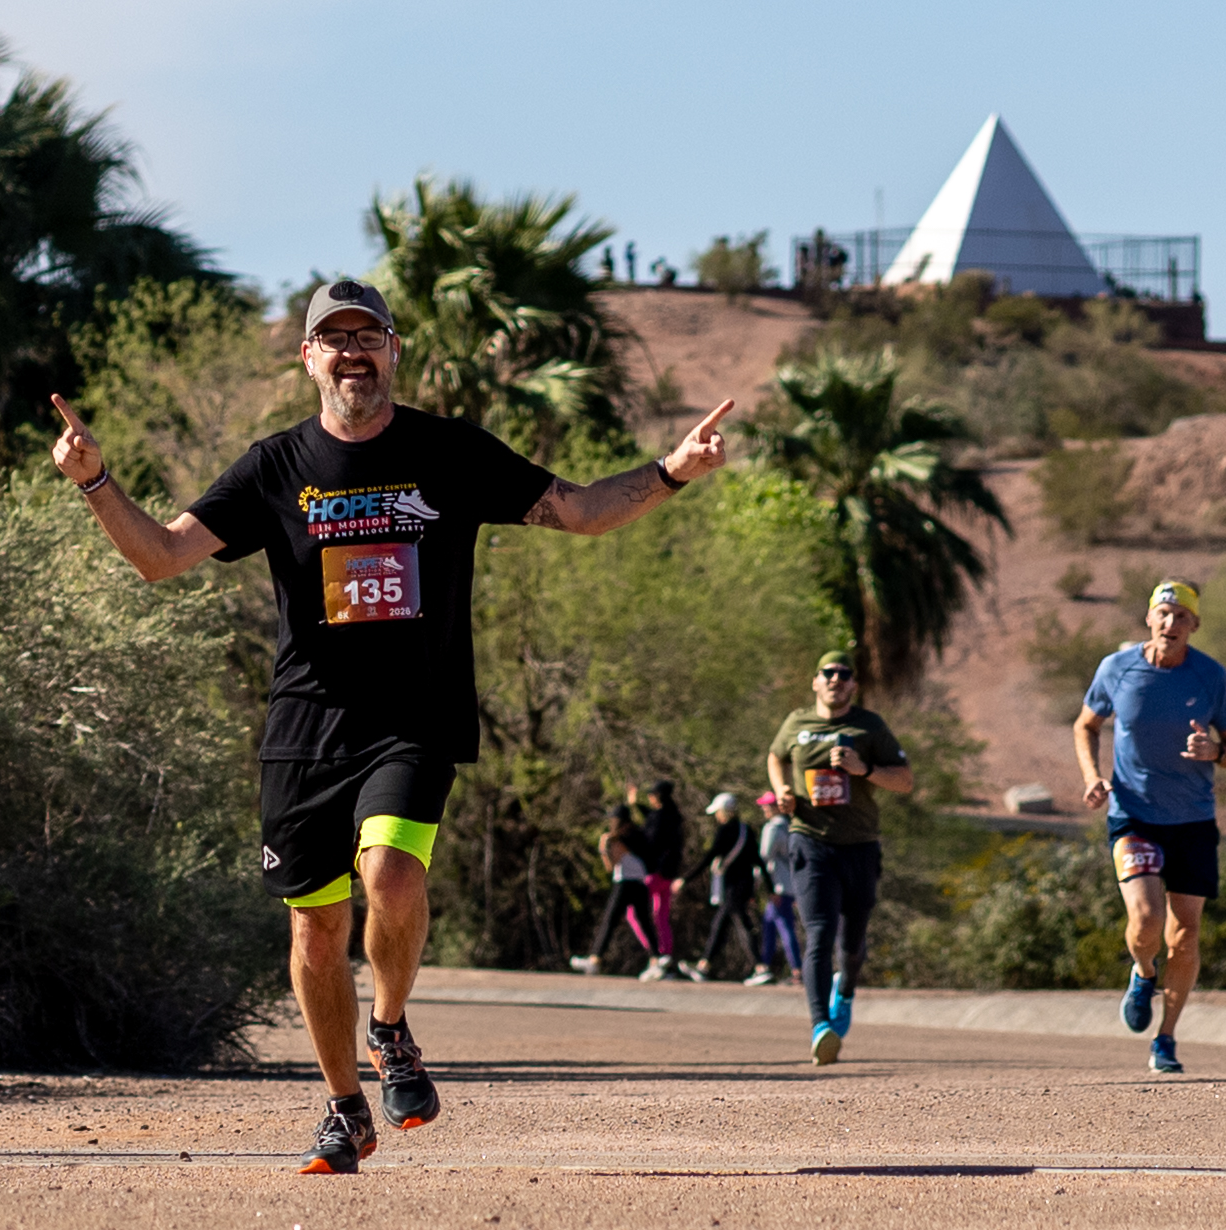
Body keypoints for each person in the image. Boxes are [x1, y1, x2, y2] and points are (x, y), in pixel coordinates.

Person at [49, 278, 735, 1174]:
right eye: (332, 339)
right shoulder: (273, 467)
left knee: (392, 875)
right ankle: (344, 1110)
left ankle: (390, 1026)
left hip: (412, 719)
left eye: (366, 335)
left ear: (394, 349)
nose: (351, 352)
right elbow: (162, 558)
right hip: (303, 731)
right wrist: (94, 481)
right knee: (312, 931)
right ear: (308, 358)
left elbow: (578, 511)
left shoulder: (448, 452)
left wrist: (671, 470)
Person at [1073, 578, 1226, 1075]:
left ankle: (1165, 1039)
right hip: (1133, 814)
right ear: (1149, 618)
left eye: (1181, 617)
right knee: (1147, 920)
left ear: (1194, 626)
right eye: (1163, 614)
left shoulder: (1210, 677)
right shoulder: (1117, 668)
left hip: (1192, 818)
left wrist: (1216, 752)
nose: (1171, 624)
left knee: (1185, 936)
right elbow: (1086, 724)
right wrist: (1092, 777)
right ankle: (1142, 972)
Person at [767, 652, 913, 1065]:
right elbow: (775, 755)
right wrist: (781, 790)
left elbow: (904, 781)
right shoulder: (797, 724)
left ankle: (844, 990)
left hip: (860, 846)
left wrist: (862, 769)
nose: (835, 680)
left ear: (853, 685)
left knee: (851, 942)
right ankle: (820, 1027)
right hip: (809, 842)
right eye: (828, 674)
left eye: (844, 675)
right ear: (815, 682)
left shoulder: (868, 727)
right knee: (819, 933)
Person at [571, 806, 671, 979]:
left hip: (624, 882)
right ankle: (657, 959)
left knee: (609, 921)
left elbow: (612, 866)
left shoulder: (619, 839)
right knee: (645, 922)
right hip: (640, 883)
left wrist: (603, 849)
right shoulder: (639, 836)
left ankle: (595, 959)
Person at [672, 793, 760, 982]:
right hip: (743, 885)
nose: (717, 816)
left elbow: (709, 857)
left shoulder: (725, 831)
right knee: (720, 925)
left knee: (741, 924)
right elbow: (757, 860)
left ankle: (760, 967)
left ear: (725, 812)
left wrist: (686, 879)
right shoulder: (747, 830)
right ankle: (704, 965)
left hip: (732, 887)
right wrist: (761, 889)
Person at [628, 779, 685, 976]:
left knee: (633, 912)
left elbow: (649, 838)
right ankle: (666, 957)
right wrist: (636, 804)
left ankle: (655, 955)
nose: (650, 798)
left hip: (655, 873)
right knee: (661, 917)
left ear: (657, 797)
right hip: (669, 875)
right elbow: (653, 817)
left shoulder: (660, 818)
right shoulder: (673, 816)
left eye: (651, 795)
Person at [744, 790, 801, 986]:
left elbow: (763, 857)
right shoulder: (789, 826)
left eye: (768, 805)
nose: (764, 809)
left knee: (785, 928)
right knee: (769, 927)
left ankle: (797, 970)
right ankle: (764, 968)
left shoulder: (773, 828)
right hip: (789, 884)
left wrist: (756, 885)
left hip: (777, 885)